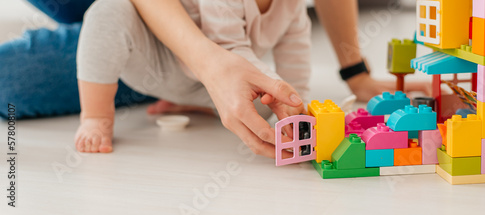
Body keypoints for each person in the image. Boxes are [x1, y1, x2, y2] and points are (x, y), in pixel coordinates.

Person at [0, 0, 430, 157]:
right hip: (151, 51)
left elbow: (295, 58)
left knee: (258, 99)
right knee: (108, 14)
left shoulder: (293, 6)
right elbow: (233, 52)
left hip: (196, 76)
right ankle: (98, 110)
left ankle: (175, 95)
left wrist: (296, 106)